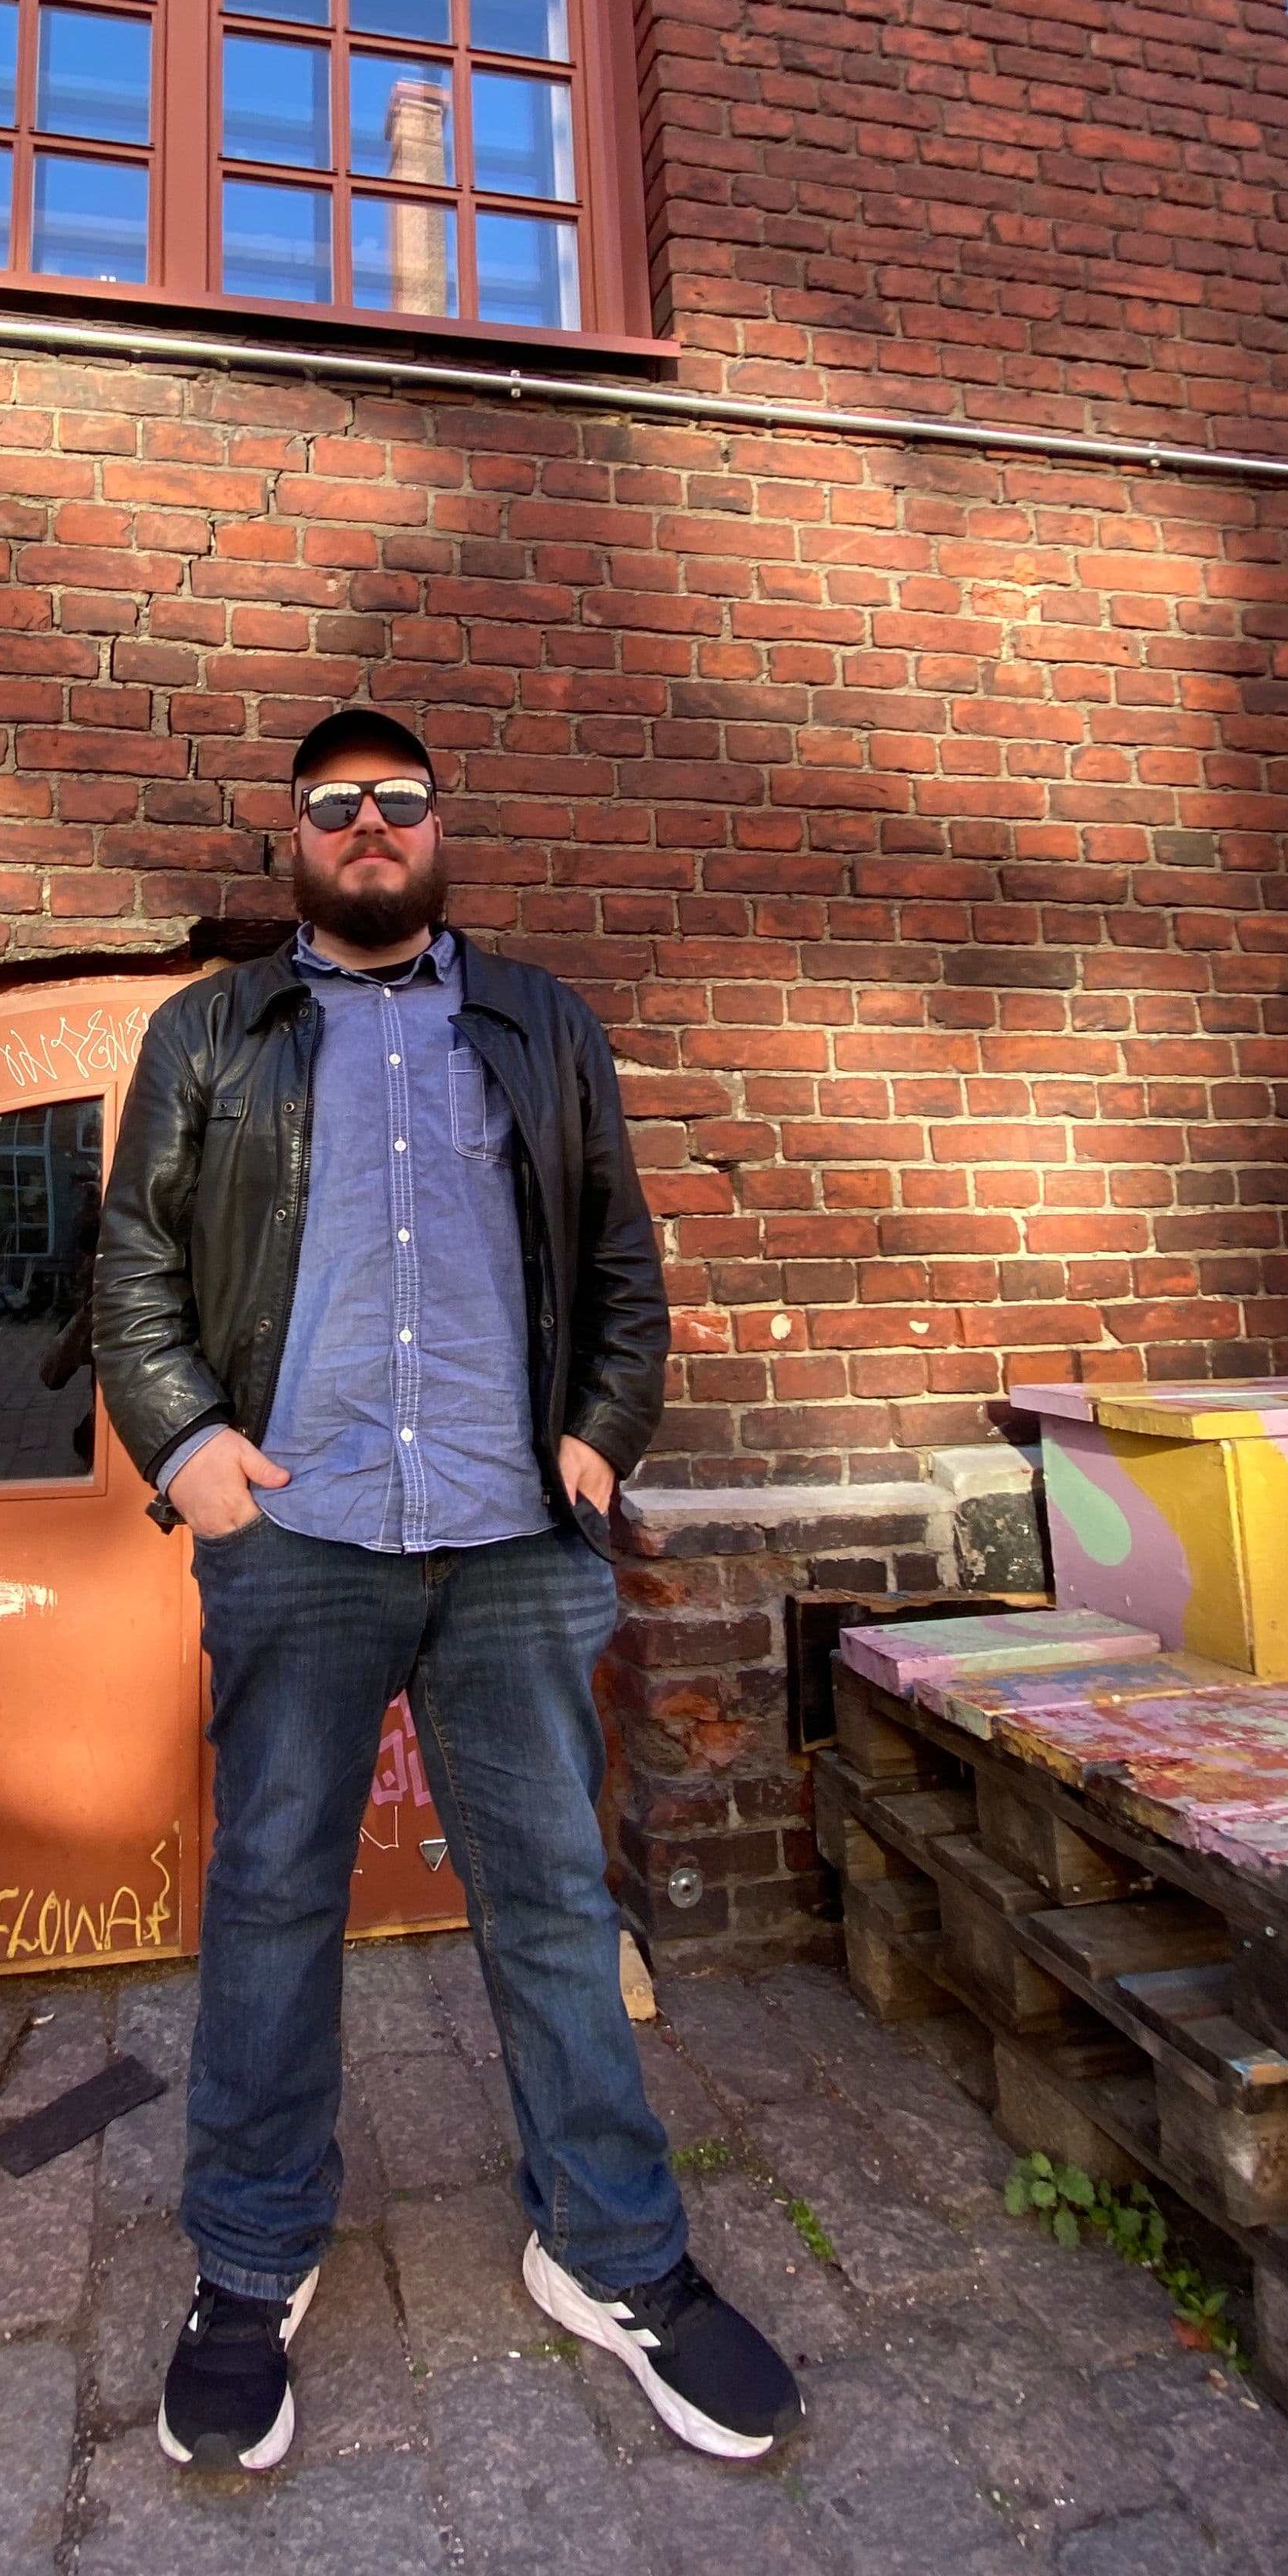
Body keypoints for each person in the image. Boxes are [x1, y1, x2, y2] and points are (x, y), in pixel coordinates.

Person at [94, 705, 803, 2476]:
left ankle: (614, 2254)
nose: (369, 824)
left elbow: (621, 1262)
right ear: (294, 839)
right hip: (302, 1531)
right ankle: (250, 2265)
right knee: (273, 1897)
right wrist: (187, 1444)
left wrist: (601, 1439)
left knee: (557, 1899)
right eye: (333, 803)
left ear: (437, 826)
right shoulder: (212, 1032)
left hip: (512, 1539)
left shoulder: (544, 1023)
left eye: (397, 800)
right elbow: (135, 1265)